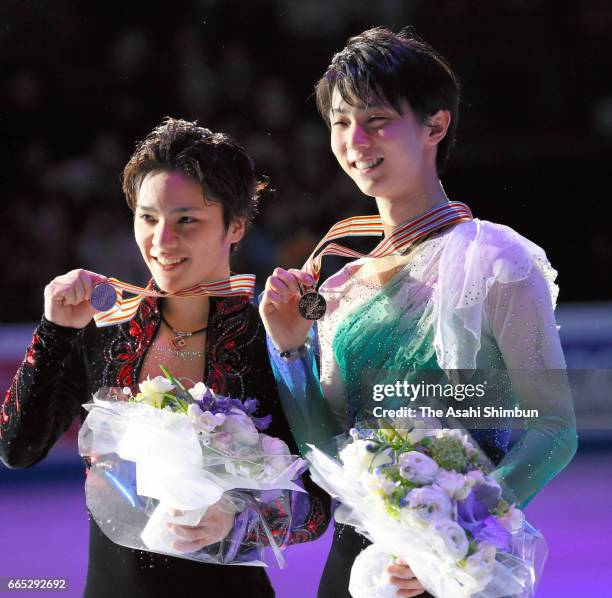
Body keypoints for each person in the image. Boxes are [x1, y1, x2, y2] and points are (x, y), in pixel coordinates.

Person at [259, 27, 577, 598]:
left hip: (460, 561)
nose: (354, 138)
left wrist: (449, 532)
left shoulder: (496, 260)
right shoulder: (342, 286)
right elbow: (328, 453)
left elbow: (555, 430)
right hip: (358, 565)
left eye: (376, 119)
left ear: (435, 125)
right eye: (339, 121)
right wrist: (289, 350)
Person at [0, 117, 330, 598]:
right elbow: (17, 450)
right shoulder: (106, 329)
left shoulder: (272, 333)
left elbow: (318, 506)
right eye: (148, 217)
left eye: (186, 220)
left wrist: (237, 516)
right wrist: (54, 332)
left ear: (235, 225)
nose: (161, 240)